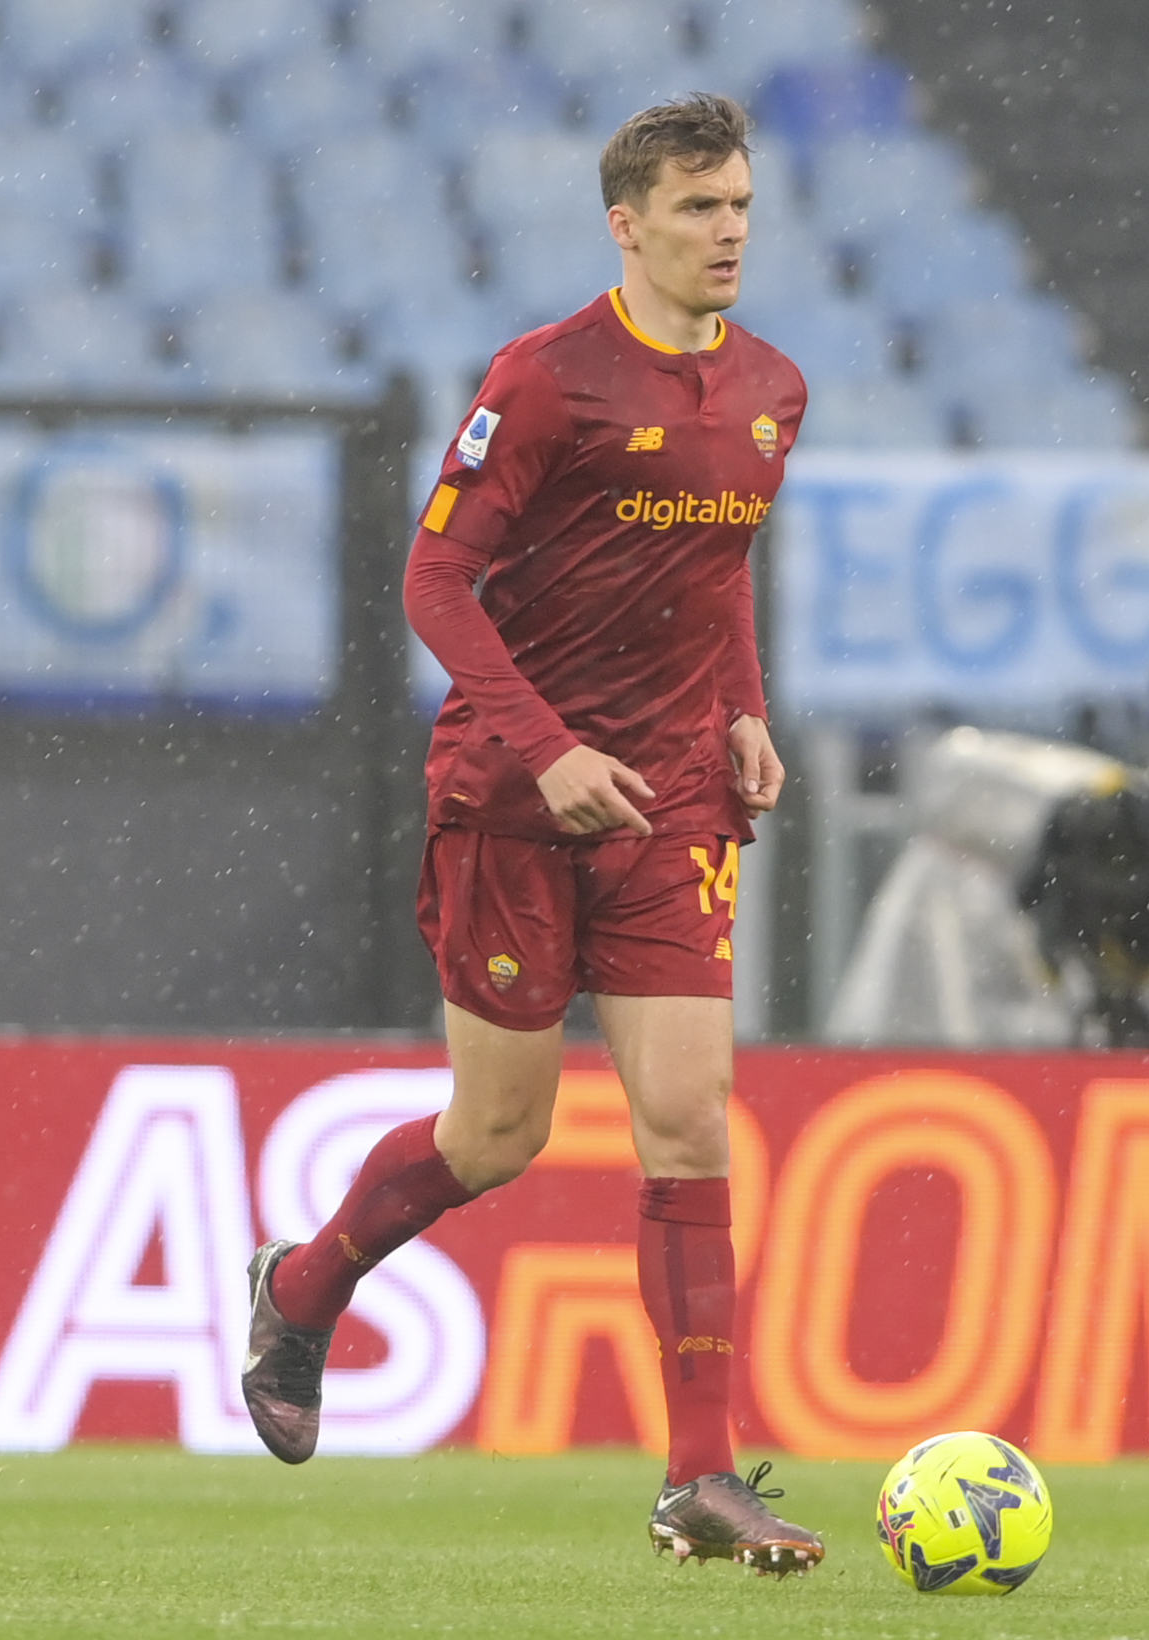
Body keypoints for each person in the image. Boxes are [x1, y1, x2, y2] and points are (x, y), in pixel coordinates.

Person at [238, 94, 822, 1575]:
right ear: (627, 225)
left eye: (741, 203)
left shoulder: (771, 387)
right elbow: (437, 583)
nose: (730, 231)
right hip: (513, 799)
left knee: (689, 1121)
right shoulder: (547, 382)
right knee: (498, 1135)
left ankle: (700, 1475)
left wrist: (744, 714)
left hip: (674, 800)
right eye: (698, 209)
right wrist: (547, 746)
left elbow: (718, 572)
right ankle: (303, 1291)